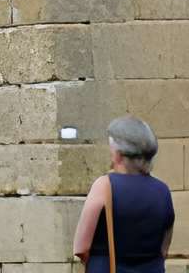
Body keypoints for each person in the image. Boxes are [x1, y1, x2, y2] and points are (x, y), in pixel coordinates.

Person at [73, 117, 176, 273]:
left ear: (118, 154)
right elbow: (164, 249)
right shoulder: (163, 191)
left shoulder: (104, 186)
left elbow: (81, 247)